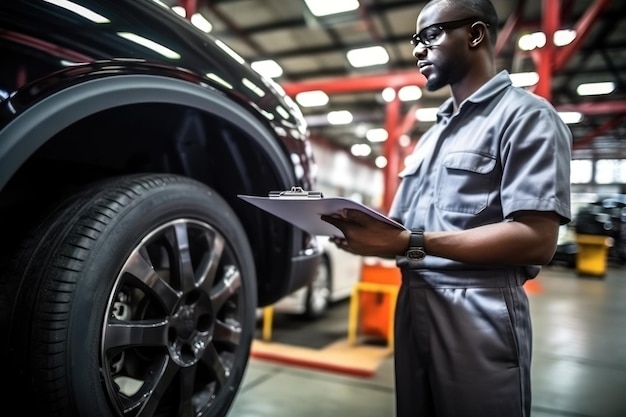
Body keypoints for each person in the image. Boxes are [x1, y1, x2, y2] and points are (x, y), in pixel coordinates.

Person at [321, 0, 572, 416]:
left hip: (478, 311)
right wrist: (367, 233)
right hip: (415, 302)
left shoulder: (526, 118)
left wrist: (410, 241)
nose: (418, 50)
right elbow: (411, 238)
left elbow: (537, 240)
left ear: (475, 34)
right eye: (415, 40)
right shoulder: (431, 138)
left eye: (430, 36)